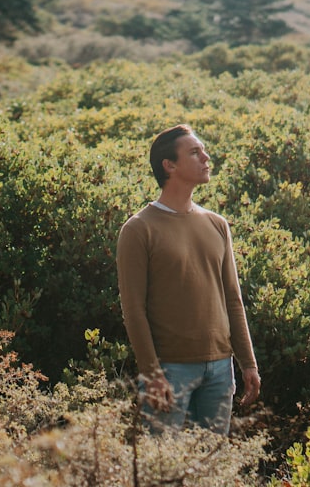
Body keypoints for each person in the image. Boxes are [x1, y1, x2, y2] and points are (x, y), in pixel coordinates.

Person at [116, 124, 261, 435]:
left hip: (221, 369)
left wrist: (248, 363)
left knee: (210, 468)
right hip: (169, 370)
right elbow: (133, 310)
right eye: (195, 153)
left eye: (203, 151)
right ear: (169, 165)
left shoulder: (217, 224)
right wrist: (153, 373)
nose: (206, 158)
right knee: (163, 471)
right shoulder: (139, 229)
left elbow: (232, 299)